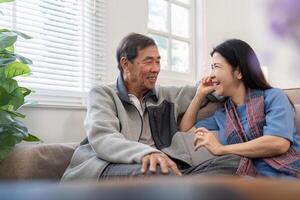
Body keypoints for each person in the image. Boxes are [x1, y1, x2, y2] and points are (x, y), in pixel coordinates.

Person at [61, 33, 240, 181]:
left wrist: (221, 80)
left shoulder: (163, 95)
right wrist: (146, 154)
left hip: (161, 170)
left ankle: (181, 188)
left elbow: (201, 90)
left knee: (235, 163)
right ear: (125, 64)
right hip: (106, 168)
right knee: (160, 172)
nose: (156, 68)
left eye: (158, 61)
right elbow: (104, 139)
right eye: (148, 62)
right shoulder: (102, 94)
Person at [180, 39, 300, 178]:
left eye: (216, 67)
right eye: (211, 67)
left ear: (239, 72)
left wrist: (221, 149)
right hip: (247, 180)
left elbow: (278, 143)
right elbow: (186, 129)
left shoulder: (273, 97)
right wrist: (199, 94)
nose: (211, 74)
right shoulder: (222, 115)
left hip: (286, 177)